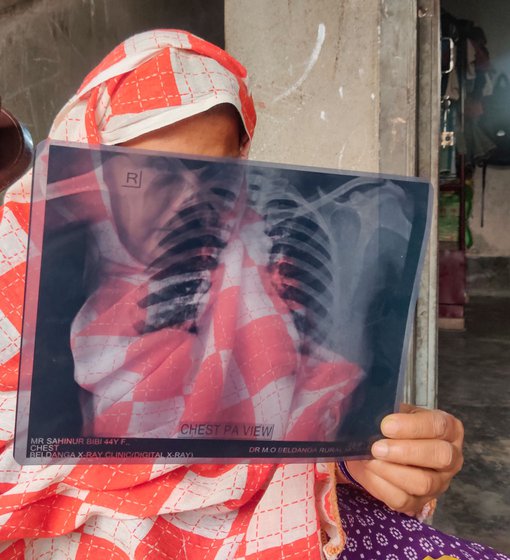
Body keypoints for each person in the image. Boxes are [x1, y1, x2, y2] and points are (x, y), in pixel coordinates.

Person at [0, 29, 507, 560]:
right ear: (93, 176)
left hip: (271, 517)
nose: (190, 208)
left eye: (216, 175)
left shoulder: (265, 265)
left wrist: (382, 458)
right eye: (146, 176)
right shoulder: (24, 266)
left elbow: (322, 424)